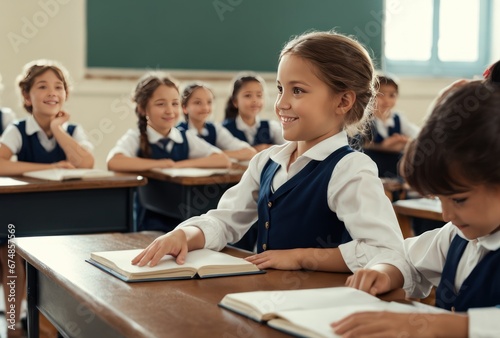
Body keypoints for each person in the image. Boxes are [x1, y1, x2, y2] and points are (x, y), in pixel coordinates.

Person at [132, 31, 407, 280]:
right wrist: (184, 234)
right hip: (264, 296)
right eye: (280, 89)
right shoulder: (267, 162)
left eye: (297, 90)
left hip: (318, 310)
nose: (281, 104)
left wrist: (301, 257)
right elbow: (224, 221)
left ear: (343, 101)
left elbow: (387, 251)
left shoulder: (350, 169)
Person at [332, 61, 500, 338]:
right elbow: (408, 259)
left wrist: (438, 325)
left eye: (458, 200)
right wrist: (385, 273)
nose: (446, 215)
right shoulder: (456, 236)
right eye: (438, 199)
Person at [107, 73, 231, 232]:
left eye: (174, 104)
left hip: (183, 221)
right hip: (148, 222)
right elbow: (114, 161)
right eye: (160, 104)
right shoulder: (136, 136)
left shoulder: (184, 137)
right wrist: (159, 165)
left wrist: (181, 165)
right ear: (142, 108)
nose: (170, 111)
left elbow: (222, 159)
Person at [0, 59, 94, 176]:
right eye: (43, 87)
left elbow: (86, 164)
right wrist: (52, 168)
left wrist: (56, 128)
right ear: (27, 96)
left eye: (58, 87)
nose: (52, 93)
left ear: (66, 94)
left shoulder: (73, 131)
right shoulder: (18, 130)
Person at [178, 82, 256, 161]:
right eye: (198, 103)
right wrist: (219, 156)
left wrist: (216, 156)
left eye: (209, 102)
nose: (205, 107)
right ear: (184, 107)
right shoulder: (179, 133)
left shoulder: (215, 129)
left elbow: (249, 152)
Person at [362, 74, 420, 178]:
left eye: (392, 95)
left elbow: (418, 135)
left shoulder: (399, 119)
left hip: (394, 173)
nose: (387, 100)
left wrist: (406, 142)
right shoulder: (364, 120)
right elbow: (359, 144)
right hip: (372, 173)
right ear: (370, 95)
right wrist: (383, 147)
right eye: (381, 94)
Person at [222, 73, 286, 152]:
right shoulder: (223, 129)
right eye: (248, 95)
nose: (255, 100)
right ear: (235, 102)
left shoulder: (272, 127)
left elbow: (286, 149)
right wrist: (260, 149)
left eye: (259, 95)